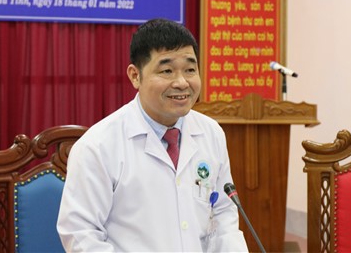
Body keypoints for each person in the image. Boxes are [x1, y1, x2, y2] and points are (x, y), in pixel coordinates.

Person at [57, 18, 248, 252]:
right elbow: (81, 235)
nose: (182, 82)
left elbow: (223, 215)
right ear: (135, 76)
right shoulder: (98, 146)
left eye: (190, 70)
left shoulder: (211, 133)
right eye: (167, 71)